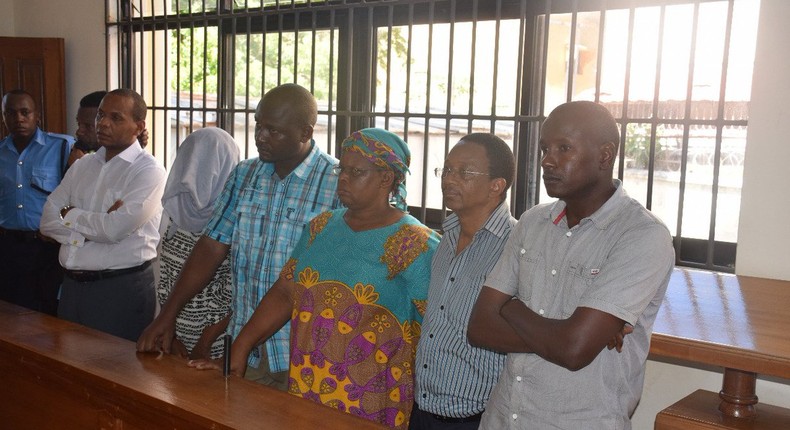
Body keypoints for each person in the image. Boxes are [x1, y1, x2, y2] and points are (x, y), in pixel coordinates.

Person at [191, 128, 440, 429]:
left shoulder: (416, 243)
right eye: (341, 169)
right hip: (307, 387)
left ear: (386, 179)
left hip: (372, 399)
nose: (343, 178)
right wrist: (241, 348)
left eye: (356, 172)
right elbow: (285, 292)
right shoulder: (321, 227)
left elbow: (437, 328)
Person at [467, 101, 675, 430]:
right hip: (504, 419)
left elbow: (574, 350)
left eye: (564, 148)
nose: (548, 160)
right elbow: (479, 327)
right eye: (545, 148)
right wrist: (566, 334)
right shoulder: (533, 222)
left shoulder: (641, 236)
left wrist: (511, 306)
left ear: (605, 155)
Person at [137, 83, 342, 390]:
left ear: (305, 133)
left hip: (307, 351)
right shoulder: (245, 175)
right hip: (246, 350)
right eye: (258, 125)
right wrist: (168, 315)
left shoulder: (337, 184)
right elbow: (210, 246)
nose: (260, 137)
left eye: (273, 131)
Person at [39, 88, 166, 342]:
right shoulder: (82, 165)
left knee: (114, 374)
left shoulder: (149, 172)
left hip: (118, 290)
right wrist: (85, 234)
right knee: (68, 372)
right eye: (101, 115)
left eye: (116, 118)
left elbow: (113, 230)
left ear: (138, 126)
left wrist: (70, 213)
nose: (103, 123)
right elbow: (46, 222)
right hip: (72, 288)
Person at [410, 133, 516, 430]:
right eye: (446, 169)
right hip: (424, 406)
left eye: (465, 172)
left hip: (475, 417)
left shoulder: (516, 246)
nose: (449, 180)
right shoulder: (448, 236)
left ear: (497, 185)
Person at [156, 127, 240, 360]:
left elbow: (234, 296)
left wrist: (203, 345)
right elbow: (166, 278)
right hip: (173, 336)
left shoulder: (234, 218)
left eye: (206, 162)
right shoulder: (175, 208)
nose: (195, 170)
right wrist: (170, 333)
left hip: (215, 345)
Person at [0, 89, 74, 315]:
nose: (18, 119)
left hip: (46, 247)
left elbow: (98, 155)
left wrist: (137, 140)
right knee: (10, 313)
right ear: (4, 117)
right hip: (8, 247)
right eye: (11, 113)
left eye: (25, 112)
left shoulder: (63, 146)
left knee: (48, 313)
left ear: (37, 115)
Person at [68, 90, 149, 167]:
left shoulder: (145, 167)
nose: (79, 132)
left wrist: (82, 168)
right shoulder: (75, 151)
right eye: (79, 124)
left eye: (88, 126)